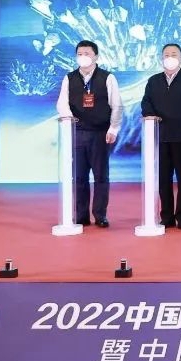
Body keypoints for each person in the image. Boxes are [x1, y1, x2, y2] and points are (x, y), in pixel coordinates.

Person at [55, 40, 122, 228]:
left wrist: (113, 128)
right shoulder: (69, 78)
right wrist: (69, 120)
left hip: (100, 133)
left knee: (101, 176)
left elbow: (116, 105)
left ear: (96, 56)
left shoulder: (108, 78)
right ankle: (81, 215)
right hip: (77, 133)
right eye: (80, 54)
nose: (83, 57)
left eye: (87, 53)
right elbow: (61, 103)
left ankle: (100, 215)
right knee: (79, 177)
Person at [140, 43, 181, 230]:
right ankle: (167, 216)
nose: (170, 58)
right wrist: (150, 115)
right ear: (161, 58)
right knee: (163, 179)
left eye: (174, 54)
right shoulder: (153, 81)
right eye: (166, 55)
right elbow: (146, 103)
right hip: (160, 137)